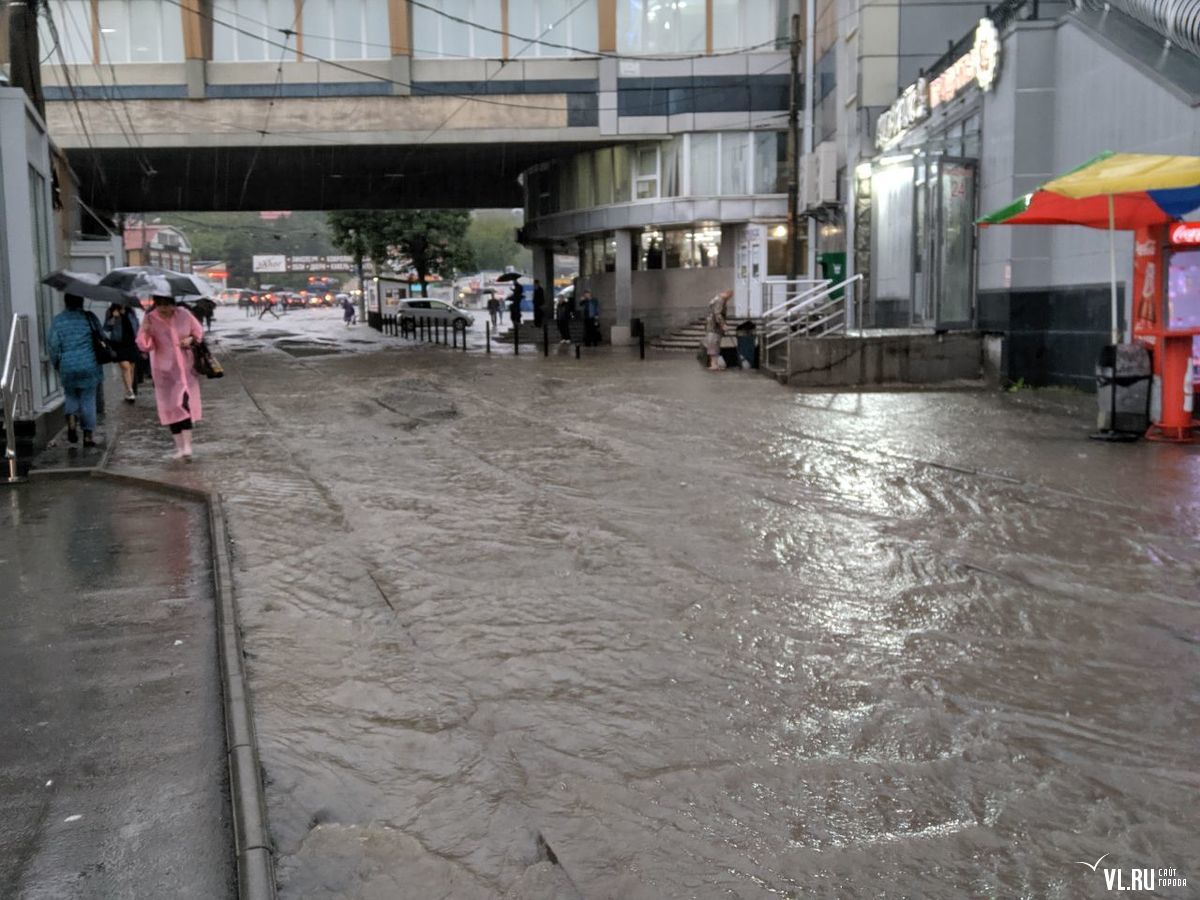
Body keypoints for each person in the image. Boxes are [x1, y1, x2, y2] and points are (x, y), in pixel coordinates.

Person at [136, 294, 206, 461]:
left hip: (186, 369)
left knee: (184, 404)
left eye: (168, 305)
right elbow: (144, 346)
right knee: (169, 408)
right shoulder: (150, 318)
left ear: (174, 304)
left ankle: (188, 445)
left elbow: (198, 333)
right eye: (160, 305)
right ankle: (180, 447)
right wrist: (145, 330)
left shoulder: (184, 314)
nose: (164, 309)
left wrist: (190, 339)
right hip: (164, 372)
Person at [47, 294, 103, 448]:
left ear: (65, 302)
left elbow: (53, 345)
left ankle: (71, 418)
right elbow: (102, 336)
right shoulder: (89, 317)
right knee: (88, 399)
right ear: (82, 301)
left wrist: (57, 363)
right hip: (89, 364)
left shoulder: (58, 320)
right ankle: (88, 437)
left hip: (67, 366)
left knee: (71, 395)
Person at [103, 302, 141, 403]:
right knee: (125, 367)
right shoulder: (111, 311)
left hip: (132, 342)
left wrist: (139, 337)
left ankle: (128, 390)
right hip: (118, 344)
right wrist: (114, 318)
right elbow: (106, 327)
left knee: (131, 367)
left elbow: (136, 325)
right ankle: (130, 391)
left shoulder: (130, 310)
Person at [704, 289, 733, 371]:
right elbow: (718, 314)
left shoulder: (716, 298)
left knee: (713, 345)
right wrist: (723, 324)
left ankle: (714, 364)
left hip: (712, 325)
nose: (730, 298)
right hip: (714, 327)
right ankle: (714, 364)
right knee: (713, 345)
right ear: (727, 294)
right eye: (730, 296)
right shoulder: (720, 300)